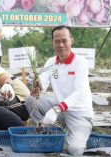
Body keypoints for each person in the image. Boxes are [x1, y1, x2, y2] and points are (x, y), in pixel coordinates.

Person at [25, 25, 93, 155]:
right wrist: (36, 85)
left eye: (64, 41)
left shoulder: (80, 62)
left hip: (79, 113)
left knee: (75, 150)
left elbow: (80, 92)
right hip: (60, 110)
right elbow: (42, 86)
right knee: (30, 99)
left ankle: (81, 133)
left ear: (71, 41)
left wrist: (57, 109)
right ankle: (46, 132)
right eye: (57, 41)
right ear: (52, 43)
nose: (60, 45)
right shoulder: (51, 62)